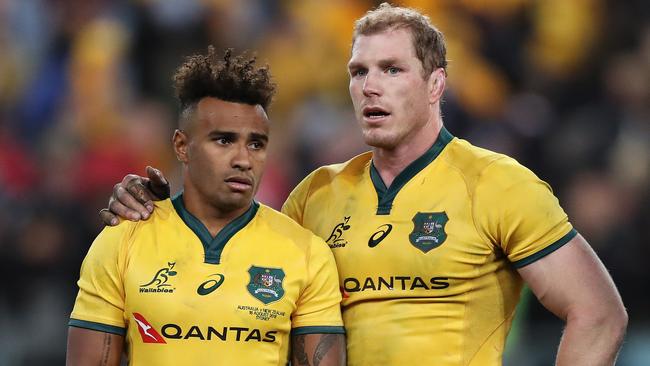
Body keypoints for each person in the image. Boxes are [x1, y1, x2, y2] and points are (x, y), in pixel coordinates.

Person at [100, 3, 627, 366]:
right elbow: (231, 295)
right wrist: (160, 218)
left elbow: (599, 313)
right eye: (358, 71)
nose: (369, 86)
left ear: (436, 83)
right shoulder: (316, 194)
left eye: (392, 69)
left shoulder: (497, 184)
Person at [67, 47, 346, 366]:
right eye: (224, 140)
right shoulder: (121, 242)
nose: (243, 160)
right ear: (182, 146)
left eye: (256, 144)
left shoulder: (306, 254)